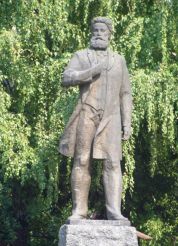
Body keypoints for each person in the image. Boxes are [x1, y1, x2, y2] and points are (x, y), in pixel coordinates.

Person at [59, 17, 132, 220]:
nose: (99, 33)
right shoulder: (81, 56)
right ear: (91, 32)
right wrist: (91, 72)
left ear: (109, 34)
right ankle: (79, 211)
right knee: (81, 160)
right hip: (87, 113)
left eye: (103, 30)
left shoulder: (119, 60)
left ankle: (114, 212)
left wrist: (127, 122)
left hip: (112, 117)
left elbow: (125, 93)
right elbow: (66, 78)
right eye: (96, 30)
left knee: (113, 163)